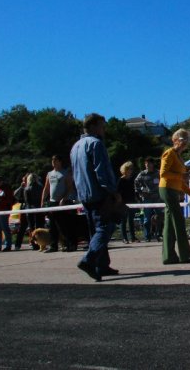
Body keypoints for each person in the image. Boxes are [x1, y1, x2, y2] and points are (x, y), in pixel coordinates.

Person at [70, 113, 119, 282]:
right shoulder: (96, 144)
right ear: (92, 127)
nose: (104, 129)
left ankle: (102, 265)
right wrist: (112, 191)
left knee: (95, 231)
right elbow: (102, 172)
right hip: (99, 194)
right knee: (105, 227)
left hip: (84, 194)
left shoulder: (75, 146)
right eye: (101, 126)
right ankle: (89, 260)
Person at [158, 129, 190, 265]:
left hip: (172, 189)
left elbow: (179, 182)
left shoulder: (178, 156)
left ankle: (169, 256)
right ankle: (186, 255)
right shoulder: (169, 153)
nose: (184, 143)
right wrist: (180, 176)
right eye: (182, 140)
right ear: (175, 140)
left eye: (186, 140)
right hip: (167, 189)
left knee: (170, 225)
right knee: (178, 222)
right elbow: (163, 173)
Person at [40, 155, 78, 253]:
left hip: (63, 202)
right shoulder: (50, 174)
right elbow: (46, 188)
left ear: (60, 162)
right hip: (52, 202)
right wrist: (43, 200)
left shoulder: (65, 173)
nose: (54, 162)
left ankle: (70, 244)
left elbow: (70, 187)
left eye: (56, 160)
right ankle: (53, 245)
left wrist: (64, 198)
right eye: (52, 160)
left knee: (64, 225)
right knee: (52, 225)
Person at [135, 157, 162, 242]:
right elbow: (136, 183)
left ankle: (159, 234)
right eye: (146, 164)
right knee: (146, 219)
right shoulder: (142, 174)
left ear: (152, 164)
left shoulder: (158, 173)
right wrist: (140, 193)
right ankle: (147, 236)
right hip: (147, 199)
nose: (147, 165)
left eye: (149, 163)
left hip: (158, 198)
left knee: (160, 217)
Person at [14, 173, 43, 250]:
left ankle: (33, 243)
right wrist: (21, 187)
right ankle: (20, 244)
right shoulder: (38, 187)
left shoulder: (28, 188)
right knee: (25, 227)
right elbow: (15, 194)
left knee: (31, 227)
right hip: (30, 208)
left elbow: (26, 200)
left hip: (27, 208)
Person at [117, 161, 138, 244]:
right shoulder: (121, 180)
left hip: (132, 201)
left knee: (131, 220)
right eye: (129, 169)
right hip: (123, 202)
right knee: (123, 220)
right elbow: (118, 192)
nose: (131, 170)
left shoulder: (132, 179)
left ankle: (133, 237)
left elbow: (134, 190)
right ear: (125, 170)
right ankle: (124, 238)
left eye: (131, 169)